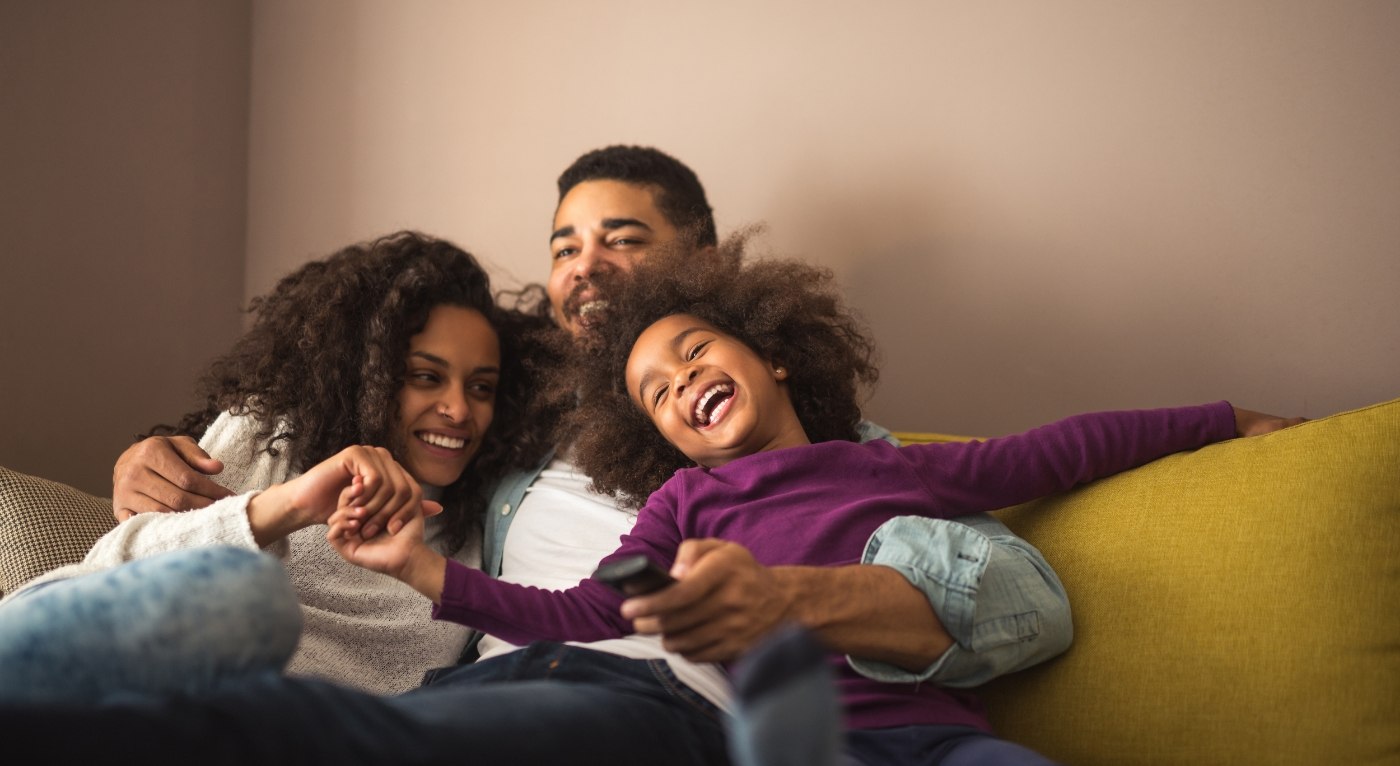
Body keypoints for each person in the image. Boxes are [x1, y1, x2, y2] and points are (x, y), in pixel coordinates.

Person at [114, 145, 1076, 690]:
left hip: (672, 704)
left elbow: (1025, 605)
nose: (585, 264)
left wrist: (788, 598)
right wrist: (161, 460)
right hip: (486, 694)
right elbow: (331, 419)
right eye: (564, 244)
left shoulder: (778, 436)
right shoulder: (492, 411)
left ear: (701, 265)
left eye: (623, 239)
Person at [324, 235, 1304, 764]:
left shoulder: (883, 466)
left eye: (693, 353)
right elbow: (575, 614)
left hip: (942, 741)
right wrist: (426, 572)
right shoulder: (681, 513)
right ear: (655, 439)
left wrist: (1221, 418)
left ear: (774, 350)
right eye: (654, 394)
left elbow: (1063, 448)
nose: (679, 385)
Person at [0, 230, 549, 699]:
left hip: (246, 727)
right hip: (87, 653)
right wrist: (292, 505)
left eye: (481, 387)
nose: (458, 410)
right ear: (370, 374)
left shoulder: (470, 542)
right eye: (426, 377)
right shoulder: (272, 437)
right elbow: (114, 566)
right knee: (251, 596)